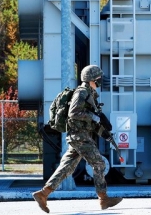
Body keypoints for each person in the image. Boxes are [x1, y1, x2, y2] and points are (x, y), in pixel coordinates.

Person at [33, 65, 122, 213]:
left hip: (79, 136)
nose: (101, 80)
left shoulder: (89, 93)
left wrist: (103, 132)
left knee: (66, 167)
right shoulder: (81, 92)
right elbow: (74, 113)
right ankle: (103, 198)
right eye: (99, 78)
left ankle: (43, 194)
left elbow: (89, 121)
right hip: (79, 137)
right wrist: (96, 116)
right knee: (99, 163)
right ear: (92, 79)